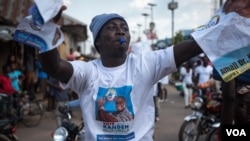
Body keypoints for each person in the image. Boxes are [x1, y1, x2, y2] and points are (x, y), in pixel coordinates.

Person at [15, 1, 250, 140]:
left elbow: (193, 46)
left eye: (124, 28)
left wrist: (226, 18)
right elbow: (53, 67)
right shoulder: (88, 72)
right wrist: (47, 30)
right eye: (112, 28)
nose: (121, 32)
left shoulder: (145, 64)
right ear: (97, 43)